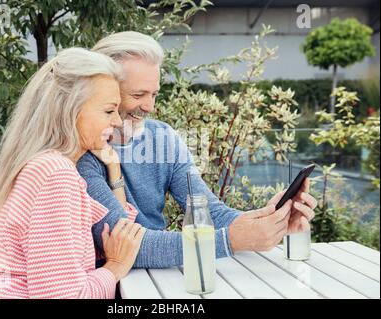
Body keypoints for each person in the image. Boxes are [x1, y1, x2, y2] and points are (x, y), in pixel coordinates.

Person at [77, 32, 317, 268]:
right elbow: (124, 247)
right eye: (138, 94)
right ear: (104, 90)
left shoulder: (163, 137)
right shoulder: (82, 153)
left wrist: (270, 219)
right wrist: (231, 240)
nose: (150, 107)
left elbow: (209, 211)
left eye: (154, 94)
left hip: (159, 283)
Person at [0, 48, 145, 299]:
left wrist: (113, 167)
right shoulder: (55, 175)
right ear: (68, 111)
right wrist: (114, 267)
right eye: (108, 110)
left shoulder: (48, 167)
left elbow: (120, 234)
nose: (117, 121)